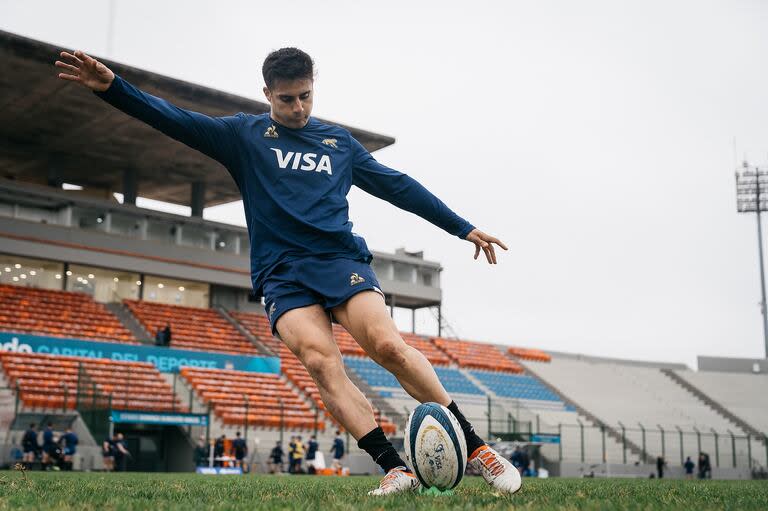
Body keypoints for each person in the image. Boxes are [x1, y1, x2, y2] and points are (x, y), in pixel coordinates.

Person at [55, 47, 517, 496]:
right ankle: (395, 469)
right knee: (319, 361)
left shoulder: (338, 142)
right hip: (282, 273)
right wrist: (113, 89)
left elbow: (397, 186)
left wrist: (463, 228)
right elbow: (175, 119)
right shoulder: (243, 136)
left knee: (387, 346)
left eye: (306, 96)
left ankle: (476, 447)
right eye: (287, 98)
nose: (298, 107)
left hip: (340, 261)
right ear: (267, 94)